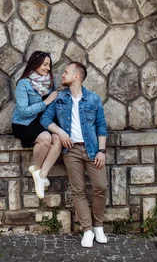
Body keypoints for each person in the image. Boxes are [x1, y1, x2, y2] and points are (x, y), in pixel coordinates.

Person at [40, 61, 108, 248]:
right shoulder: (60, 98)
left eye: (66, 72)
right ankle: (87, 230)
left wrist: (101, 151)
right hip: (71, 151)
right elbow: (45, 119)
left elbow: (101, 126)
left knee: (100, 186)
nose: (62, 75)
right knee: (78, 190)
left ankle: (98, 226)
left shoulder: (93, 99)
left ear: (77, 76)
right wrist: (61, 133)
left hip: (92, 149)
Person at [11, 51, 62, 199]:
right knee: (46, 138)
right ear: (36, 63)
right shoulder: (24, 83)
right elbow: (23, 111)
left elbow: (52, 107)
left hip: (41, 123)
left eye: (49, 65)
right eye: (45, 64)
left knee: (58, 139)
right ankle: (38, 170)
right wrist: (45, 102)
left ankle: (41, 173)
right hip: (23, 123)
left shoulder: (49, 85)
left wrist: (59, 94)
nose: (47, 68)